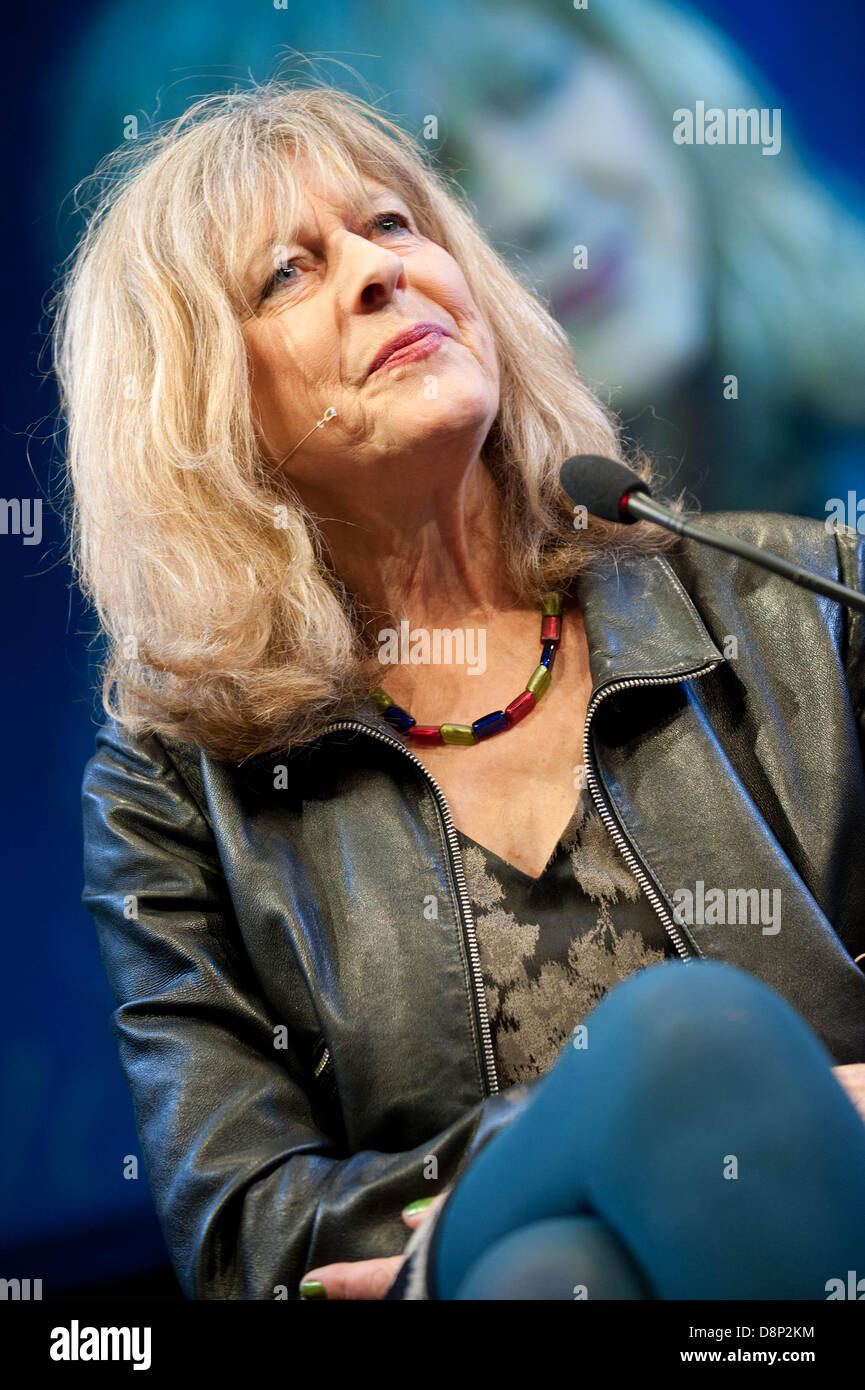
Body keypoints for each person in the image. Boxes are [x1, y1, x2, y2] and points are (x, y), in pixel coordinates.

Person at [57, 78, 865, 1300]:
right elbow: (249, 1244)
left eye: (392, 226)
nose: (378, 274)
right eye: (288, 272)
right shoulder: (173, 789)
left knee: (552, 1268)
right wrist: (658, 1113)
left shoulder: (806, 602)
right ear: (203, 411)